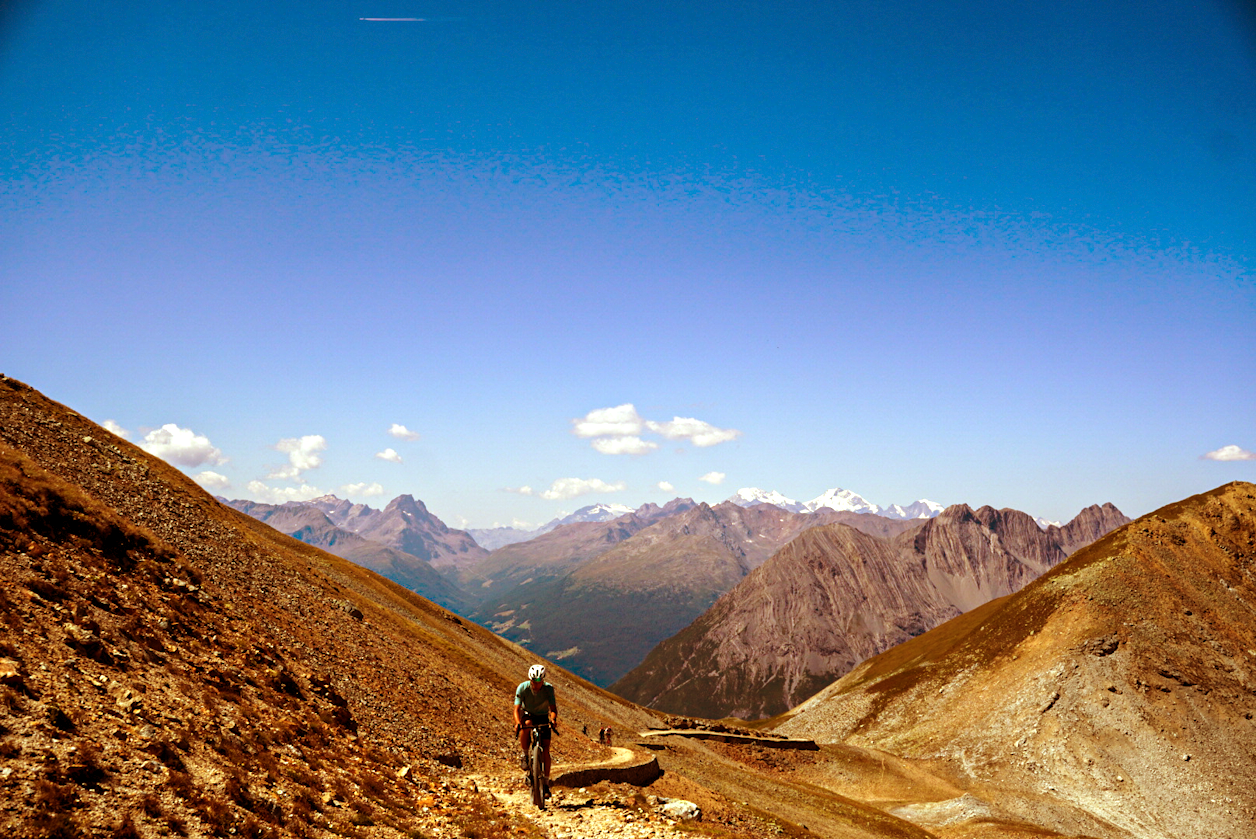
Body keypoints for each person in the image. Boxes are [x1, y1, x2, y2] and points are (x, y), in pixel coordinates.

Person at [514, 664, 558, 795]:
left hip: (543, 716)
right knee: (526, 724)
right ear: (530, 679)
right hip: (527, 713)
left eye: (539, 681)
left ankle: (545, 782)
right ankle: (525, 754)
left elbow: (553, 709)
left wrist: (553, 719)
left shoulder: (548, 689)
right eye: (534, 681)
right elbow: (516, 708)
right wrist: (517, 723)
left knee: (545, 748)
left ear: (543, 680)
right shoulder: (522, 688)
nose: (536, 684)